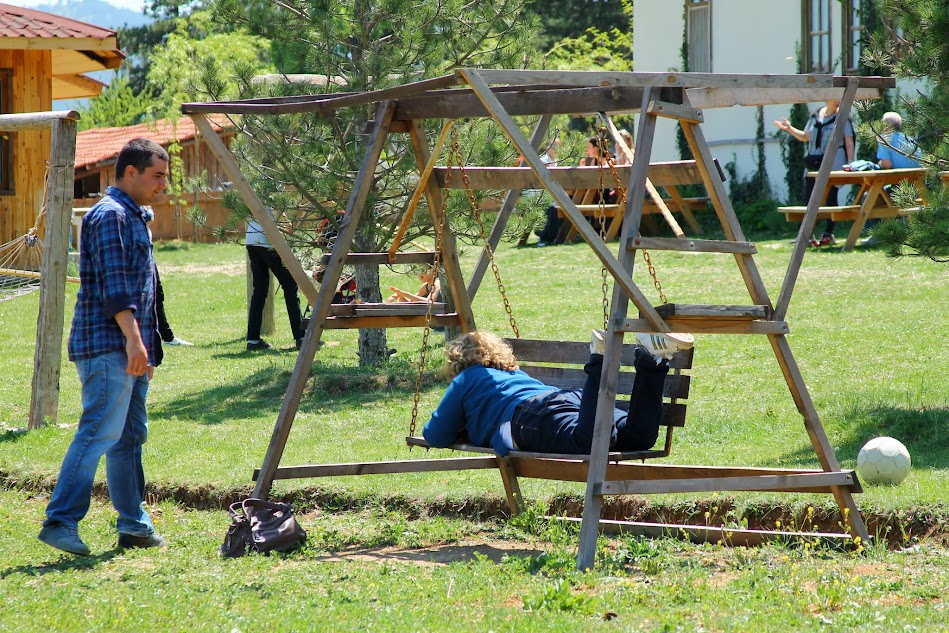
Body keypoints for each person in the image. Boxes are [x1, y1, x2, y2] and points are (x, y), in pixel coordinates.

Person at [38, 139, 170, 556]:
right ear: (130, 172)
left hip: (132, 348)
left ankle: (134, 525)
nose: (163, 184)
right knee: (99, 432)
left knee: (129, 436)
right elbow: (117, 291)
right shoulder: (109, 216)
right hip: (109, 346)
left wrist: (146, 348)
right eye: (157, 175)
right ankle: (60, 521)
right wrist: (134, 342)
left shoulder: (135, 217)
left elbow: (148, 290)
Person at [422, 329, 694, 456]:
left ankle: (598, 358)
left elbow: (435, 435)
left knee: (587, 443)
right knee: (639, 438)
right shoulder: (513, 374)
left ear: (458, 361)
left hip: (530, 417)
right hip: (569, 400)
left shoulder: (468, 378)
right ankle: (651, 360)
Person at [774, 100, 855, 247]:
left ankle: (828, 233)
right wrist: (789, 128)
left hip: (834, 163)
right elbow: (806, 137)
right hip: (814, 163)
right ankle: (807, 236)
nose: (839, 101)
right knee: (809, 198)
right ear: (827, 99)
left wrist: (850, 163)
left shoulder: (843, 118)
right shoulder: (815, 116)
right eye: (835, 98)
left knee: (831, 197)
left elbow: (849, 142)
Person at [534, 136, 615, 246]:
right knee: (559, 204)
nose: (586, 150)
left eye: (588, 147)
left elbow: (595, 181)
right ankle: (547, 235)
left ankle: (547, 236)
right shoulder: (592, 161)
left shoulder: (609, 161)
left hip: (601, 198)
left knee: (562, 203)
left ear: (596, 149)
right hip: (588, 195)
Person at [245, 212, 306, 351]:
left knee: (259, 291)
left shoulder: (253, 188)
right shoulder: (274, 190)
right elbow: (277, 210)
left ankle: (253, 340)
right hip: (267, 239)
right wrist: (286, 223)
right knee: (290, 286)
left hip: (251, 238)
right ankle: (301, 337)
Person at [142, 207, 192, 347]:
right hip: (142, 255)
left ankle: (166, 336)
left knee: (157, 294)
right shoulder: (132, 201)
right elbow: (148, 216)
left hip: (148, 251)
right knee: (148, 296)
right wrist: (149, 209)